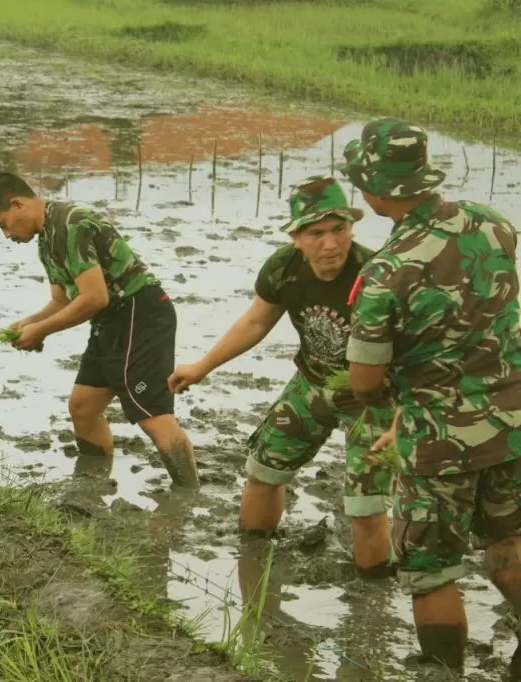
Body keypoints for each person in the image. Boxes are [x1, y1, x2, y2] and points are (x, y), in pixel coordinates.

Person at [342, 117, 521, 676]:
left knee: (431, 566)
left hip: (438, 441)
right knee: (510, 539)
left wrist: (401, 404)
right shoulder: (494, 224)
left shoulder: (386, 273)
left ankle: (444, 670)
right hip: (513, 421)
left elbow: (365, 382)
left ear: (373, 190)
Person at [167, 175, 394, 577]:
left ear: (351, 229)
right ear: (297, 237)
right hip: (312, 383)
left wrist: (403, 416)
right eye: (317, 233)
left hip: (372, 399)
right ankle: (252, 558)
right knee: (263, 469)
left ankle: (372, 595)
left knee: (365, 504)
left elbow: (414, 354)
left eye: (339, 230)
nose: (330, 244)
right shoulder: (283, 269)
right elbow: (257, 321)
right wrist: (202, 367)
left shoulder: (376, 276)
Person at [0, 171, 198, 488]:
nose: (6, 235)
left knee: (152, 415)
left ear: (18, 204)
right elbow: (62, 300)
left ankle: (188, 494)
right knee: (83, 407)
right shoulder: (46, 240)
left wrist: (41, 332)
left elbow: (94, 297)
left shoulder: (70, 223)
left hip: (139, 311)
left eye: (3, 225)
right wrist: (29, 323)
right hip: (110, 319)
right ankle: (93, 485)